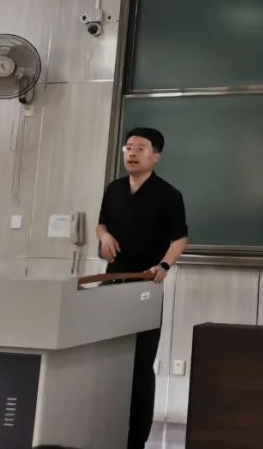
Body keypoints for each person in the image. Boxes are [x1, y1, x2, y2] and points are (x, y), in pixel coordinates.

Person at [97, 127, 188, 449]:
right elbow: (102, 223)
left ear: (156, 156)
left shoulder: (168, 195)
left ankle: (136, 439)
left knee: (140, 363)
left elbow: (180, 238)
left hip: (145, 286)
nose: (132, 153)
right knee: (108, 358)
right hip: (111, 281)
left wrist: (163, 266)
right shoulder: (114, 189)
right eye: (128, 147)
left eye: (140, 148)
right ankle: (105, 428)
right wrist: (104, 236)